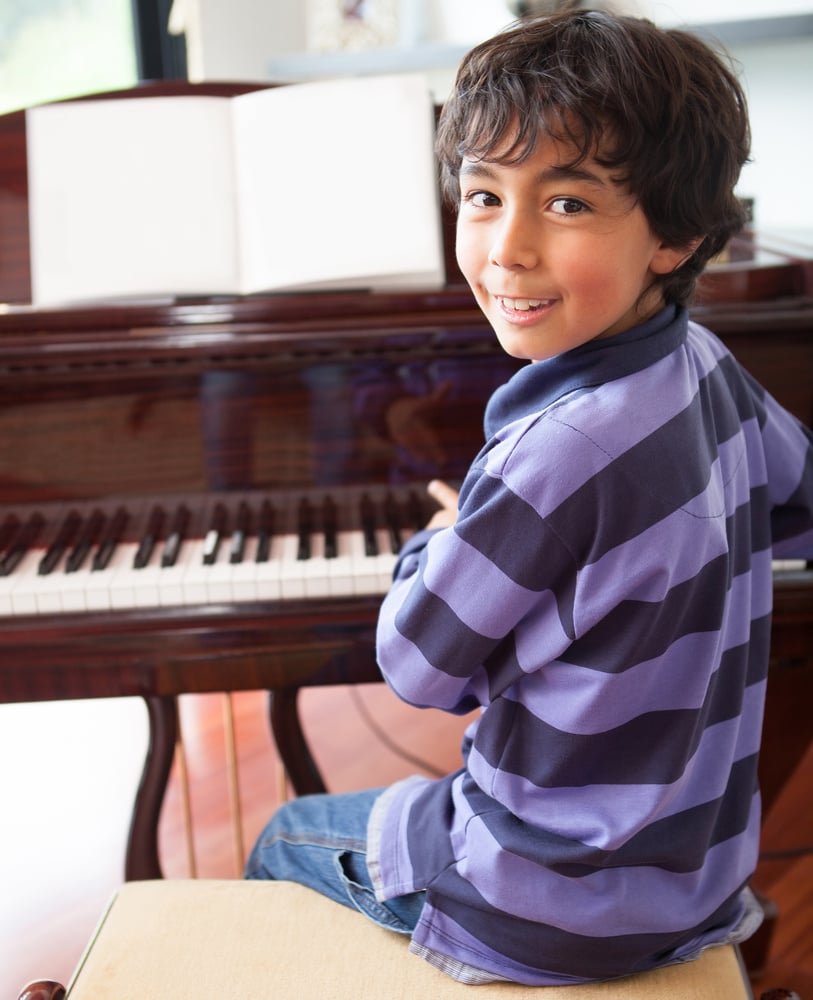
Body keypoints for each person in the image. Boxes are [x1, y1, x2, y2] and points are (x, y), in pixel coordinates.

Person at [245, 9, 813, 986]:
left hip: (541, 899)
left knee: (285, 833)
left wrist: (445, 534)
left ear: (674, 233)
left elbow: (419, 664)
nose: (506, 248)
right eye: (482, 195)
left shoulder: (555, 454)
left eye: (567, 205)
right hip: (693, 870)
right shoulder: (708, 366)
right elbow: (797, 492)